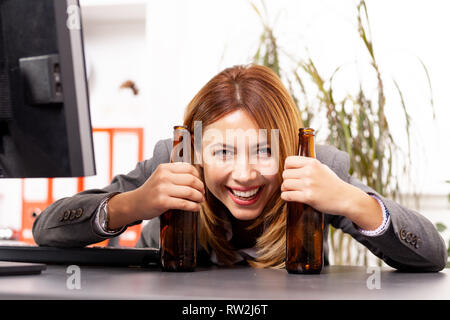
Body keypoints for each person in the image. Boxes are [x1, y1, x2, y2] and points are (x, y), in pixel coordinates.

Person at [32, 64, 448, 271]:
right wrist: (131, 204)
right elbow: (46, 230)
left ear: (287, 147)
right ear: (195, 148)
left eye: (264, 151)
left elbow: (432, 255)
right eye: (224, 152)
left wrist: (355, 202)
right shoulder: (172, 160)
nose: (245, 174)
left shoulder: (318, 167)